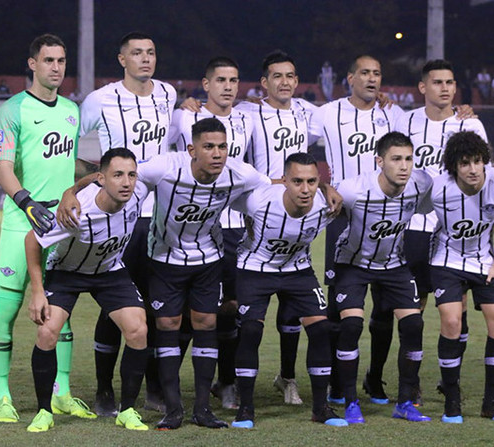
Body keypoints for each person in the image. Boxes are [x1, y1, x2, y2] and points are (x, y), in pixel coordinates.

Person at [363, 59, 487, 405]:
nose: (445, 88)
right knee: (406, 308)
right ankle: (394, 380)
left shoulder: (471, 124)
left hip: (454, 232)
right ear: (422, 87)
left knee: (456, 310)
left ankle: (451, 382)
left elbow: (481, 173)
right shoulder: (406, 119)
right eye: (437, 82)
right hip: (414, 227)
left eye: (450, 82)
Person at [140, 118, 272, 430]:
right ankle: (173, 409)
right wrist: (75, 191)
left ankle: (202, 410)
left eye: (222, 147)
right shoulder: (165, 167)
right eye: (209, 146)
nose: (217, 153)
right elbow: (126, 175)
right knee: (168, 325)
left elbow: (270, 189)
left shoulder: (240, 173)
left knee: (207, 323)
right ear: (191, 149)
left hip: (208, 260)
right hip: (164, 258)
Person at [0, 33, 92, 424]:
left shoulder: (71, 109)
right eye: (48, 60)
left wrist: (94, 175)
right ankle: (1, 396)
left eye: (61, 61)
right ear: (32, 64)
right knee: (9, 310)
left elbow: (67, 162)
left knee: (59, 310)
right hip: (22, 222)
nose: (56, 67)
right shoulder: (12, 110)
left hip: (62, 225)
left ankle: (61, 393)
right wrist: (26, 203)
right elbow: (3, 168)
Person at [73, 31, 177, 416]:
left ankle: (151, 388)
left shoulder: (168, 94)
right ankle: (103, 389)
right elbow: (78, 151)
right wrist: (88, 186)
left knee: (155, 307)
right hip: (121, 219)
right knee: (113, 304)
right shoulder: (99, 100)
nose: (145, 59)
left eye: (151, 52)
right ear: (122, 59)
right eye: (137, 53)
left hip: (162, 219)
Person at [25, 148, 150, 432]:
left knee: (138, 330)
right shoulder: (76, 212)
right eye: (117, 175)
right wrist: (37, 291)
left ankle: (127, 410)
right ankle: (44, 411)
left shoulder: (139, 192)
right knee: (47, 331)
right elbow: (32, 240)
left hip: (109, 272)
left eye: (131, 175)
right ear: (102, 179)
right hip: (67, 273)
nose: (126, 182)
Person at [309, 54, 405, 404]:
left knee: (384, 305)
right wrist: (321, 184)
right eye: (364, 72)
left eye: (377, 73)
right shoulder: (326, 113)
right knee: (340, 304)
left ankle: (375, 379)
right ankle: (337, 381)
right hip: (343, 214)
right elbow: (292, 147)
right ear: (349, 78)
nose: (371, 79)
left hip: (387, 215)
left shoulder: (392, 113)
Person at [231, 152, 347, 429]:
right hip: (255, 269)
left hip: (298, 270)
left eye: (311, 181)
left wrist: (328, 189)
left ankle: (320, 408)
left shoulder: (327, 205)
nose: (304, 189)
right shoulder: (258, 200)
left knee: (321, 329)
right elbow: (223, 193)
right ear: (284, 181)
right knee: (250, 330)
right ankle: (245, 409)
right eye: (296, 181)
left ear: (319, 181)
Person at [168, 56, 253, 410]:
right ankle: (166, 385)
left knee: (231, 307)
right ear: (206, 85)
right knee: (190, 310)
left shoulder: (249, 118)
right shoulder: (184, 116)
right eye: (220, 80)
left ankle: (227, 381)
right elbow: (165, 155)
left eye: (233, 80)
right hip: (190, 229)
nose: (228, 86)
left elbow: (255, 167)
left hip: (234, 229)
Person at [235, 50, 318, 405]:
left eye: (290, 76)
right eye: (276, 76)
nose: (284, 82)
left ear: (297, 81)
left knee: (292, 308)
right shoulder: (246, 111)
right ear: (264, 82)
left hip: (298, 212)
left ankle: (286, 378)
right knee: (243, 311)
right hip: (258, 214)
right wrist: (192, 103)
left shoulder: (310, 113)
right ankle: (231, 383)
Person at [333, 132, 432, 424]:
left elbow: (432, 205)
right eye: (396, 159)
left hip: (394, 264)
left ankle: (405, 401)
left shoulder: (421, 183)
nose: (404, 166)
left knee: (414, 324)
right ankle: (351, 402)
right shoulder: (353, 190)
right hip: (352, 264)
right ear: (379, 161)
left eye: (409, 159)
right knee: (351, 325)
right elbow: (326, 205)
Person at [430, 131, 494, 424]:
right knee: (452, 321)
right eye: (465, 162)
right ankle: (452, 401)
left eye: (478, 161)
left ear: (485, 162)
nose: (473, 169)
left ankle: (490, 404)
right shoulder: (437, 189)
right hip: (446, 261)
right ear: (453, 166)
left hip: (485, 263)